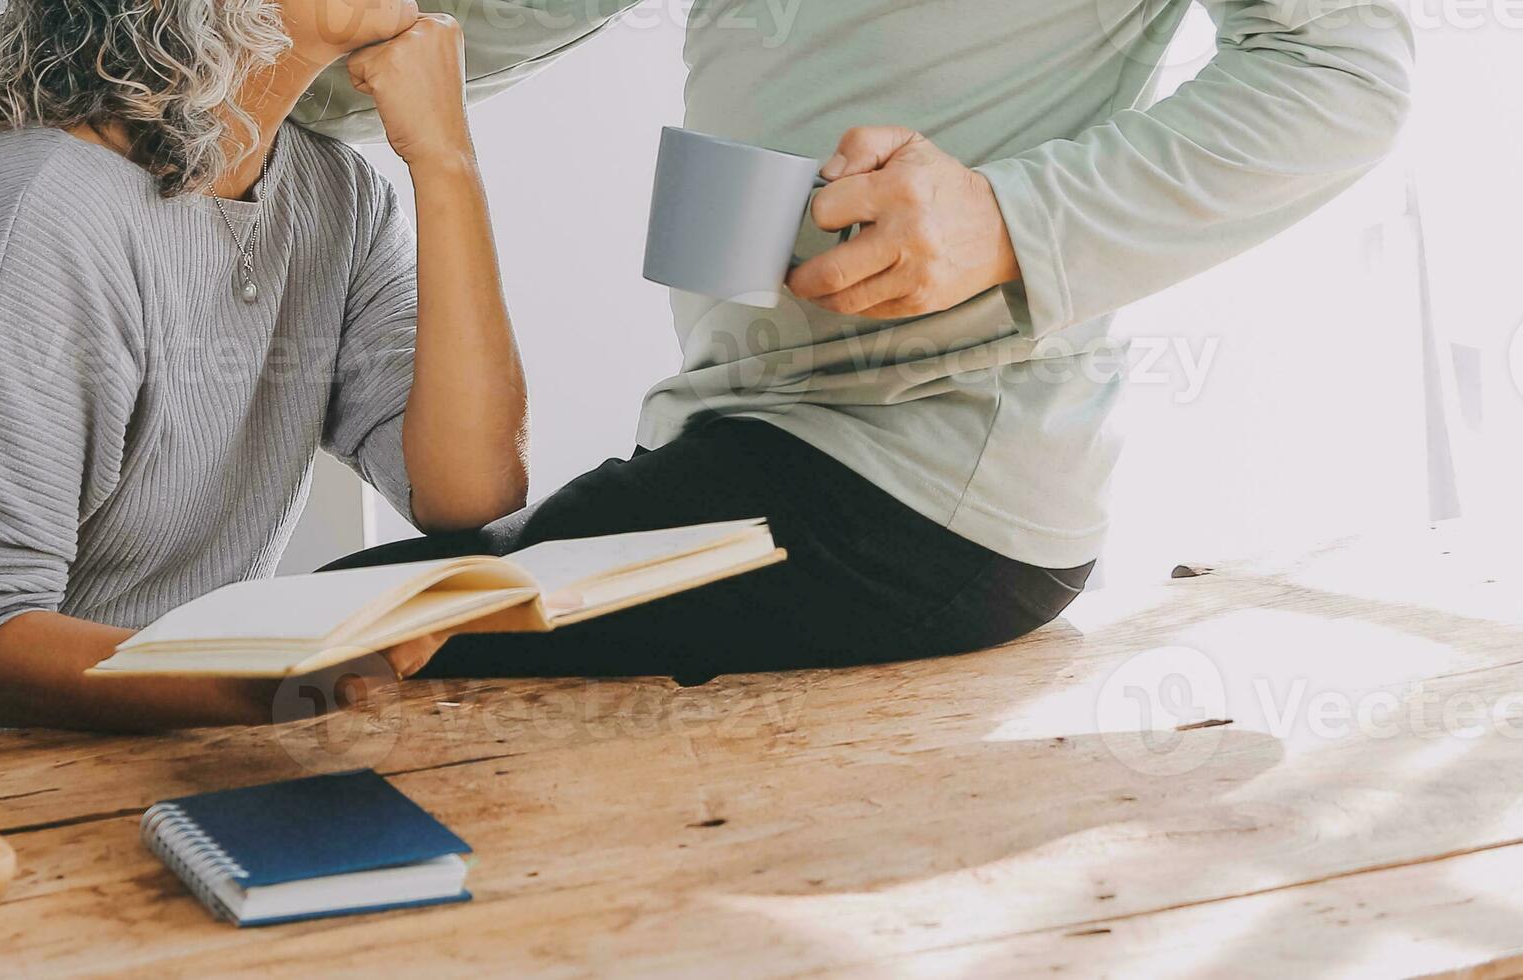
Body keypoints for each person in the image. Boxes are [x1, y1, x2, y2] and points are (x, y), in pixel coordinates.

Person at [298, 0, 1416, 679]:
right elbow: (429, 34)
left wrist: (1013, 222)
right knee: (284, 644)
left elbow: (1343, 70)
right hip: (745, 433)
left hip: (912, 478)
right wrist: (240, 59)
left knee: (299, 639)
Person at [0, 0, 524, 756]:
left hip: (115, 757)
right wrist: (284, 685)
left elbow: (469, 492)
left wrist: (446, 160)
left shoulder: (337, 200)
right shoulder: (38, 210)